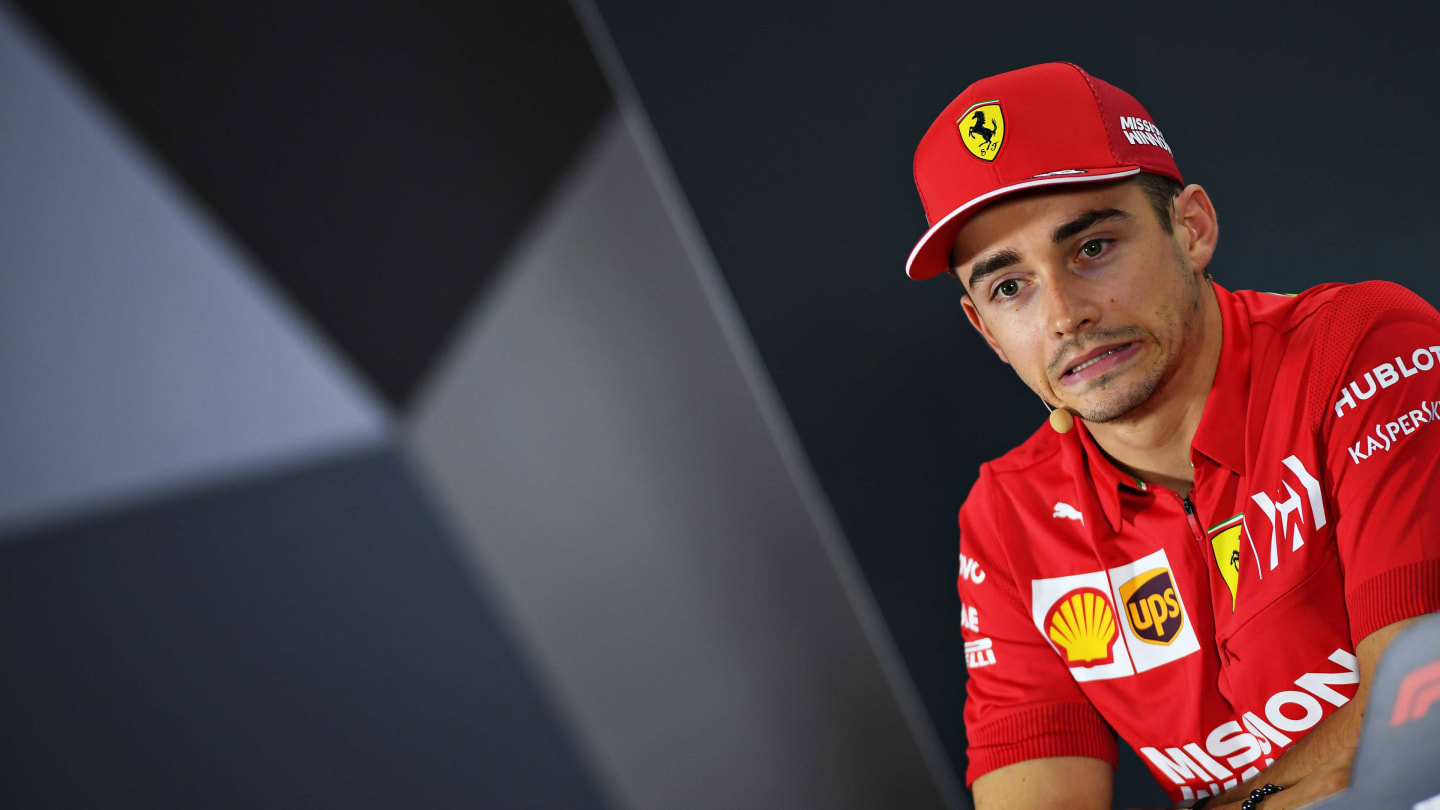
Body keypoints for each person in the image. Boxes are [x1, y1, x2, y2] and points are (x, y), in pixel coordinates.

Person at [906, 62, 1440, 810]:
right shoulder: (1006, 520)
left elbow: (1420, 721)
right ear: (986, 332)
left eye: (1092, 248)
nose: (1064, 315)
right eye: (1009, 286)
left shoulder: (1363, 345)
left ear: (1191, 229)